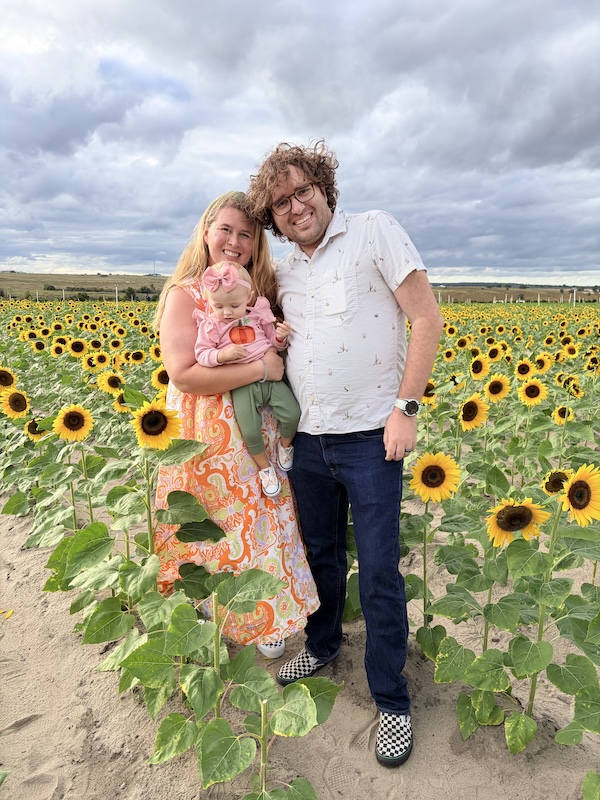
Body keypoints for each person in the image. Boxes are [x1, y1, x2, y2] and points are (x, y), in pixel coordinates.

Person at [247, 142, 444, 765]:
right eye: (281, 202)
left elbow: (428, 318)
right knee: (321, 559)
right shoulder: (284, 273)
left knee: (380, 573)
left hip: (372, 439)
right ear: (272, 218)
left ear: (325, 189)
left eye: (303, 191)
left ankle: (391, 700)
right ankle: (324, 643)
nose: (296, 206)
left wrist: (405, 409)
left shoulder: (375, 232)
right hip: (308, 441)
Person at [153, 191, 319, 660]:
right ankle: (217, 607)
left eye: (246, 234)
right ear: (206, 232)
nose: (235, 240)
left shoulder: (254, 293)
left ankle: (268, 615)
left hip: (255, 425)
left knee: (262, 518)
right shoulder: (183, 295)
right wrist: (260, 370)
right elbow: (184, 373)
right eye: (225, 229)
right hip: (206, 427)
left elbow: (270, 344)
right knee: (217, 520)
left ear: (255, 244)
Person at [194, 260, 301, 497]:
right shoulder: (211, 325)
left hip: (271, 380)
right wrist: (222, 355)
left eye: (234, 305)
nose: (226, 312)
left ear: (249, 297)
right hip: (241, 383)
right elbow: (201, 354)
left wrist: (281, 337)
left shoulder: (258, 316)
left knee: (292, 413)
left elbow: (273, 343)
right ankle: (265, 468)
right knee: (250, 431)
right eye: (218, 306)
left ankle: (285, 446)